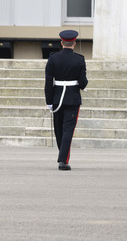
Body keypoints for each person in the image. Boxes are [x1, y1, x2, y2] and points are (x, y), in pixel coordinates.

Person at [45, 29, 88, 169]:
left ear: (61, 43)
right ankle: (63, 160)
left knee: (59, 129)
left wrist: (49, 101)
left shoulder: (53, 58)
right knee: (67, 129)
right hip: (72, 98)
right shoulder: (79, 59)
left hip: (57, 97)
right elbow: (83, 83)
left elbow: (48, 82)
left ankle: (62, 156)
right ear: (74, 43)